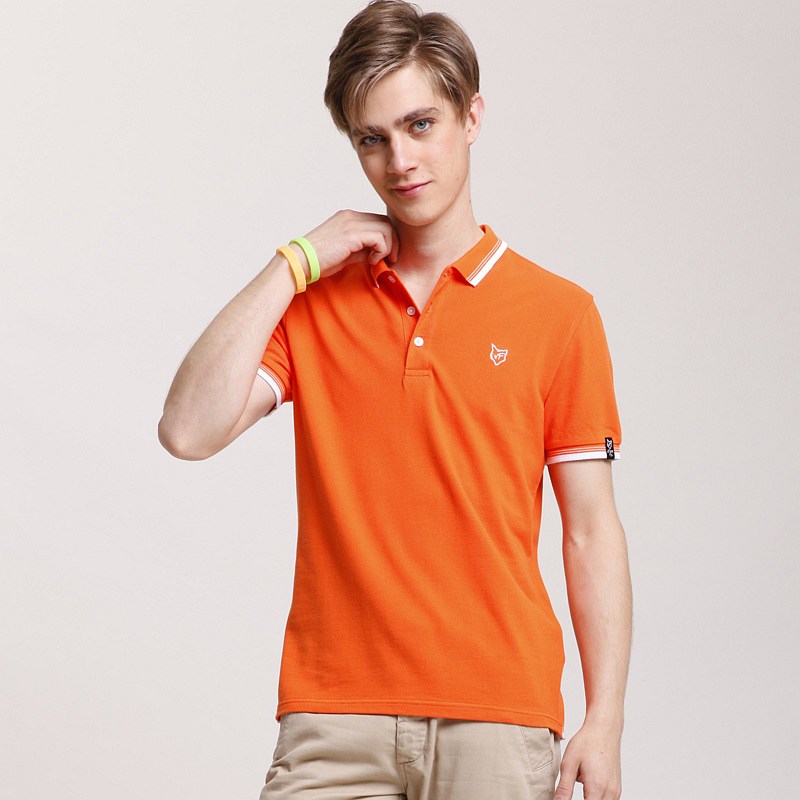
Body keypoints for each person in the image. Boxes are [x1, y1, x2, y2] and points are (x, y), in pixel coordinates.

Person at [157, 1, 632, 798]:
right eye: (371, 139)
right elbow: (186, 431)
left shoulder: (560, 314)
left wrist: (605, 718)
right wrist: (295, 262)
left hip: (497, 713)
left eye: (420, 125)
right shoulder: (313, 305)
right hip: (333, 716)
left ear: (471, 117)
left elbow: (590, 530)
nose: (400, 161)